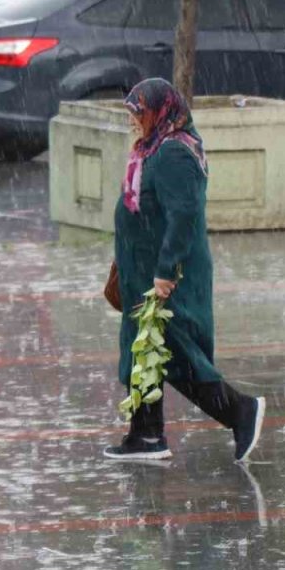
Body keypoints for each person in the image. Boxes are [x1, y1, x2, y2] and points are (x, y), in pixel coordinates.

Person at [104, 78, 265, 463]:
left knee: (178, 356)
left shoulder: (175, 153)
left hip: (167, 277)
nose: (132, 121)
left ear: (160, 112)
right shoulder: (151, 149)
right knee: (141, 351)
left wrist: (165, 271)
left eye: (138, 112)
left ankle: (241, 411)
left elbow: (183, 217)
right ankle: (145, 435)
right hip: (140, 274)